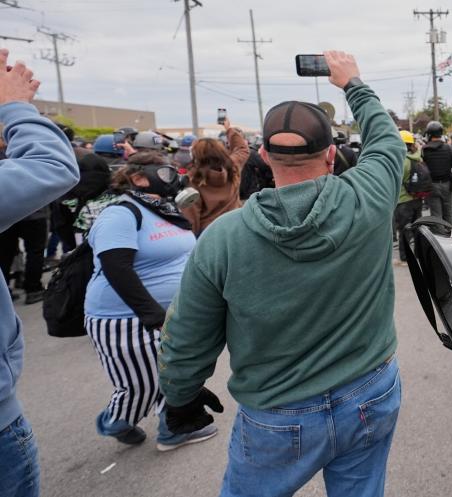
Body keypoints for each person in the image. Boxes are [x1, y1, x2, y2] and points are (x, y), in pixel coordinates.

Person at [158, 51, 403, 497]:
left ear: (266, 156)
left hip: (276, 412)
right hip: (369, 390)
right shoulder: (368, 197)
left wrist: (180, 398)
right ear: (331, 154)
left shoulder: (223, 238)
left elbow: (188, 334)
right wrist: (353, 83)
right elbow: (385, 140)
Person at [83, 151, 209, 451]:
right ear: (138, 177)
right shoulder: (121, 213)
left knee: (172, 374)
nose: (172, 179)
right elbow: (116, 267)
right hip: (124, 318)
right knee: (140, 385)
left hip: (168, 314)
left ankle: (171, 429)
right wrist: (151, 314)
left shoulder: (162, 209)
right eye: (164, 173)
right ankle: (115, 420)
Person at [0, 48, 80, 497]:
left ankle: (29, 284)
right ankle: (31, 285)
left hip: (44, 225)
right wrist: (14, 107)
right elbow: (51, 167)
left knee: (35, 254)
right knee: (36, 255)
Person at [182, 118, 250, 236]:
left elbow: (191, 218)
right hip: (237, 227)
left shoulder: (193, 180)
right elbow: (242, 149)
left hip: (210, 233)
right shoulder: (232, 167)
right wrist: (229, 129)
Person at [422, 120, 452, 233]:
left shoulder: (425, 150)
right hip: (447, 184)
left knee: (436, 214)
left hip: (432, 186)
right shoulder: (449, 148)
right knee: (449, 212)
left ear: (429, 134)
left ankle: (441, 240)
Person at [395, 130, 425, 265]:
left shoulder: (401, 161)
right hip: (417, 198)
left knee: (404, 229)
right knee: (417, 227)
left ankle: (405, 257)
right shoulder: (418, 157)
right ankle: (419, 253)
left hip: (403, 200)